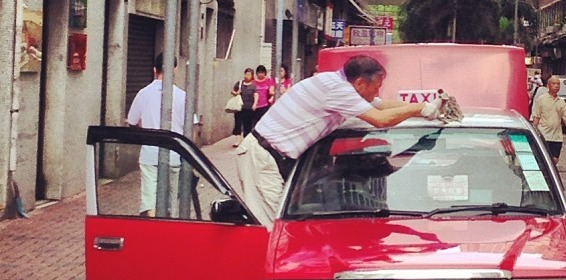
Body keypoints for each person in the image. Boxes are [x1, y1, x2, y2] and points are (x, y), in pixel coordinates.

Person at [235, 55, 443, 228]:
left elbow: (383, 106)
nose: (377, 92)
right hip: (262, 157)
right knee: (276, 230)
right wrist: (419, 109)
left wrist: (425, 110)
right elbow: (381, 120)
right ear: (360, 82)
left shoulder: (337, 85)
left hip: (274, 157)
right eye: (376, 87)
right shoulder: (337, 90)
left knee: (280, 228)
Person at [127, 53, 186, 217]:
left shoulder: (143, 93)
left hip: (149, 154)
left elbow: (132, 121)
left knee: (149, 198)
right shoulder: (182, 96)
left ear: (154, 69)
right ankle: (171, 227)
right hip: (175, 154)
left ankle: (152, 226)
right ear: (175, 70)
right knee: (173, 199)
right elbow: (191, 127)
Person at [532, 75, 566, 165]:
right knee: (543, 158)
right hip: (544, 135)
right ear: (548, 86)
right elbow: (536, 117)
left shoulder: (561, 102)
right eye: (554, 84)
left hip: (557, 137)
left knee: (555, 159)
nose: (556, 86)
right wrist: (534, 131)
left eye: (558, 84)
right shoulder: (541, 100)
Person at [231, 68, 258, 147]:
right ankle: (238, 140)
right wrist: (236, 93)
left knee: (248, 125)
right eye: (246, 74)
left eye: (249, 74)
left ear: (252, 76)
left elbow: (256, 95)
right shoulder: (239, 83)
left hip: (249, 108)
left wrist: (255, 104)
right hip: (239, 108)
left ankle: (246, 141)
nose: (247, 76)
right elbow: (232, 91)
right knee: (238, 123)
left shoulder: (253, 85)